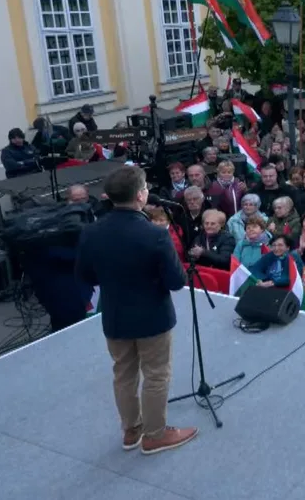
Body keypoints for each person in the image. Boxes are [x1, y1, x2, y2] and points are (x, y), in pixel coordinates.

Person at [74, 166, 196, 454]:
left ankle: (132, 431)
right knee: (156, 374)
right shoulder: (155, 235)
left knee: (123, 374)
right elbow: (177, 281)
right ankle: (154, 435)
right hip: (152, 317)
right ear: (141, 195)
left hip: (115, 316)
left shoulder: (91, 232)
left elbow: (86, 276)